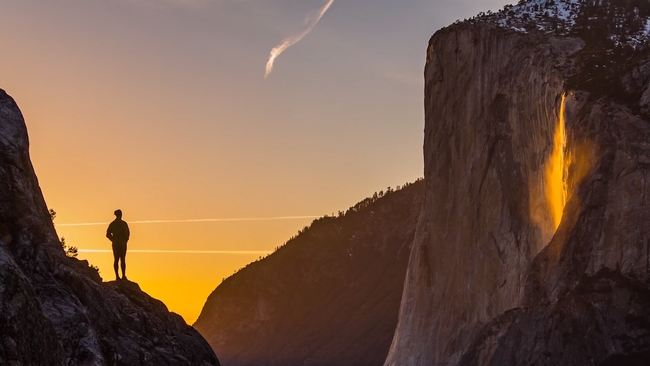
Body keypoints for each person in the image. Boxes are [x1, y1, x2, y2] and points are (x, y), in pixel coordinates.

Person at [106, 209, 130, 281]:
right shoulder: (120, 224)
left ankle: (121, 276)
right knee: (119, 259)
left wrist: (115, 240)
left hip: (119, 243)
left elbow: (128, 233)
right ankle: (120, 276)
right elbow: (108, 234)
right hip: (119, 244)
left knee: (119, 260)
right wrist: (115, 240)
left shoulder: (114, 224)